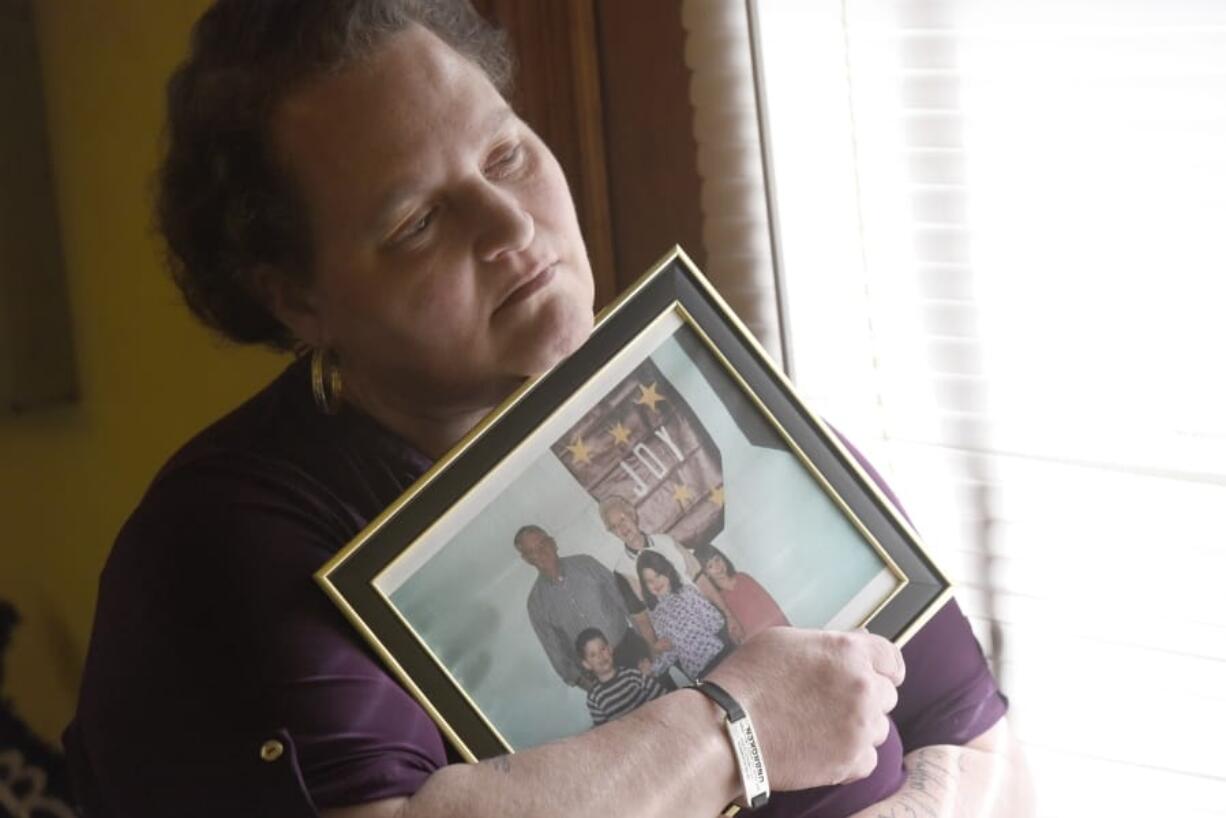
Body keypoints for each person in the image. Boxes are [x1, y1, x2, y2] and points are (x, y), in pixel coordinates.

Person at [64, 2, 1031, 817]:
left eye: (506, 154)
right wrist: (740, 727)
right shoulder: (225, 543)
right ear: (299, 299)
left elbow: (976, 737)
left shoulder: (684, 390)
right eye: (419, 221)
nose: (512, 226)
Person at [513, 524, 647, 689]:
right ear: (527, 560)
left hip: (631, 649)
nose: (541, 552)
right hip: (599, 676)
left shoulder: (586, 564)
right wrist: (591, 687)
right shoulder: (536, 604)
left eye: (543, 544)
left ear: (553, 543)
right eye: (532, 551)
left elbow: (624, 601)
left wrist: (647, 646)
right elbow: (555, 651)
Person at [599, 494, 745, 643]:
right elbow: (642, 620)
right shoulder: (621, 571)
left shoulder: (666, 541)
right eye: (615, 527)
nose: (622, 528)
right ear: (613, 533)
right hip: (682, 643)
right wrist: (655, 650)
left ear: (633, 516)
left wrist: (728, 615)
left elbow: (701, 580)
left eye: (623, 520)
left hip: (710, 620)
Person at [636, 550, 732, 680]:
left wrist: (693, 632)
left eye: (658, 575)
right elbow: (671, 653)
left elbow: (717, 621)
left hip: (718, 655)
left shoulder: (686, 593)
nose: (655, 583)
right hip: (698, 674)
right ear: (645, 586)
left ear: (667, 572)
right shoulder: (656, 615)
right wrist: (653, 669)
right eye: (649, 581)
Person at [694, 542, 790, 639]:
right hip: (757, 642)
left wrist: (786, 629)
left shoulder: (743, 578)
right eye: (710, 566)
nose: (718, 567)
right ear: (706, 574)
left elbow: (770, 603)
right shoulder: (720, 601)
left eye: (717, 559)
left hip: (777, 630)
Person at [574, 628, 665, 726]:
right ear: (587, 664)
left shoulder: (632, 675)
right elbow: (604, 731)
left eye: (603, 649)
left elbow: (663, 697)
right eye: (593, 655)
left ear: (610, 649)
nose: (600, 656)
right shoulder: (594, 698)